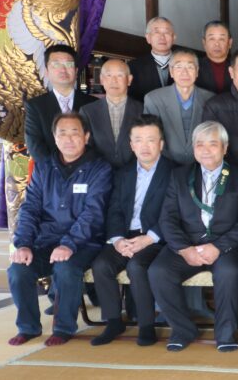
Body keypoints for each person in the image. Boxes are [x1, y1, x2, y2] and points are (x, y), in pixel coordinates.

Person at [8, 113, 112, 347]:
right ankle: (28, 327)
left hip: (86, 242)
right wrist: (23, 243)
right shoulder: (44, 168)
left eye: (74, 133)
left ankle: (63, 328)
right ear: (54, 138)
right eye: (62, 133)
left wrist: (69, 244)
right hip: (46, 241)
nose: (68, 139)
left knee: (66, 268)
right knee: (18, 270)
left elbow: (93, 215)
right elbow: (30, 209)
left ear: (86, 137)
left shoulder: (100, 168)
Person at [149, 121, 238, 352]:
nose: (205, 150)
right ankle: (183, 330)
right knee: (158, 271)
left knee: (229, 272)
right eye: (199, 144)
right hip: (188, 243)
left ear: (225, 147)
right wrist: (185, 249)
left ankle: (225, 334)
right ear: (193, 148)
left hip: (226, 245)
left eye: (213, 144)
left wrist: (219, 247)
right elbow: (167, 218)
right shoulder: (180, 175)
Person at [89, 115, 176, 346]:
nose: (145, 146)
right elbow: (115, 210)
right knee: (101, 265)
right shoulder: (124, 173)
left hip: (156, 238)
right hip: (125, 236)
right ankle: (114, 321)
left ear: (161, 144)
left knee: (137, 266)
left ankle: (146, 325)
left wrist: (148, 239)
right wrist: (118, 240)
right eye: (139, 140)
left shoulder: (174, 173)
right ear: (131, 144)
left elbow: (173, 214)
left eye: (151, 140)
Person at [25, 45, 97, 162]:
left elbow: (97, 141)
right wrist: (58, 171)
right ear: (47, 72)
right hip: (51, 174)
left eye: (69, 64)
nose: (63, 69)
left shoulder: (93, 103)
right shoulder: (35, 106)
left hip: (88, 171)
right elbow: (35, 146)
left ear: (76, 71)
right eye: (56, 64)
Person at [142, 50, 215, 165]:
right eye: (179, 67)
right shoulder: (153, 99)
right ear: (171, 71)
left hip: (201, 164)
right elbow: (150, 136)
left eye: (190, 67)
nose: (184, 72)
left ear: (197, 72)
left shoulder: (211, 99)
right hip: (165, 164)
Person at [80, 59, 143, 169]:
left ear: (129, 80)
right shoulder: (88, 111)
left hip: (134, 173)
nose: (114, 80)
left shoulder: (143, 109)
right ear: (101, 80)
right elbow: (85, 147)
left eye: (119, 75)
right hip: (98, 174)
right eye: (108, 75)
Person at [129, 17, 177, 100]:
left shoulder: (187, 64)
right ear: (148, 38)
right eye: (156, 32)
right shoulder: (133, 67)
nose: (162, 37)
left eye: (167, 32)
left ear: (174, 38)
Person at [196, 20, 234, 94]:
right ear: (204, 42)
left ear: (230, 43)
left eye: (222, 39)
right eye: (212, 39)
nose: (217, 44)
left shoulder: (237, 67)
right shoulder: (194, 67)